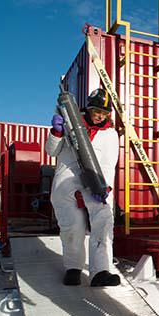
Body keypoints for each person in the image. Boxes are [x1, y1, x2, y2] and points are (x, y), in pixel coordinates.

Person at [45, 88, 121, 287]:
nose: (100, 116)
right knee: (72, 227)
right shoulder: (71, 123)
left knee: (104, 222)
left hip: (94, 184)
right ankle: (73, 268)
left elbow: (108, 164)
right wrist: (56, 132)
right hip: (66, 183)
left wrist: (106, 188)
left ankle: (101, 271)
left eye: (104, 113)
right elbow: (51, 151)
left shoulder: (110, 135)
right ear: (88, 108)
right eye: (97, 111)